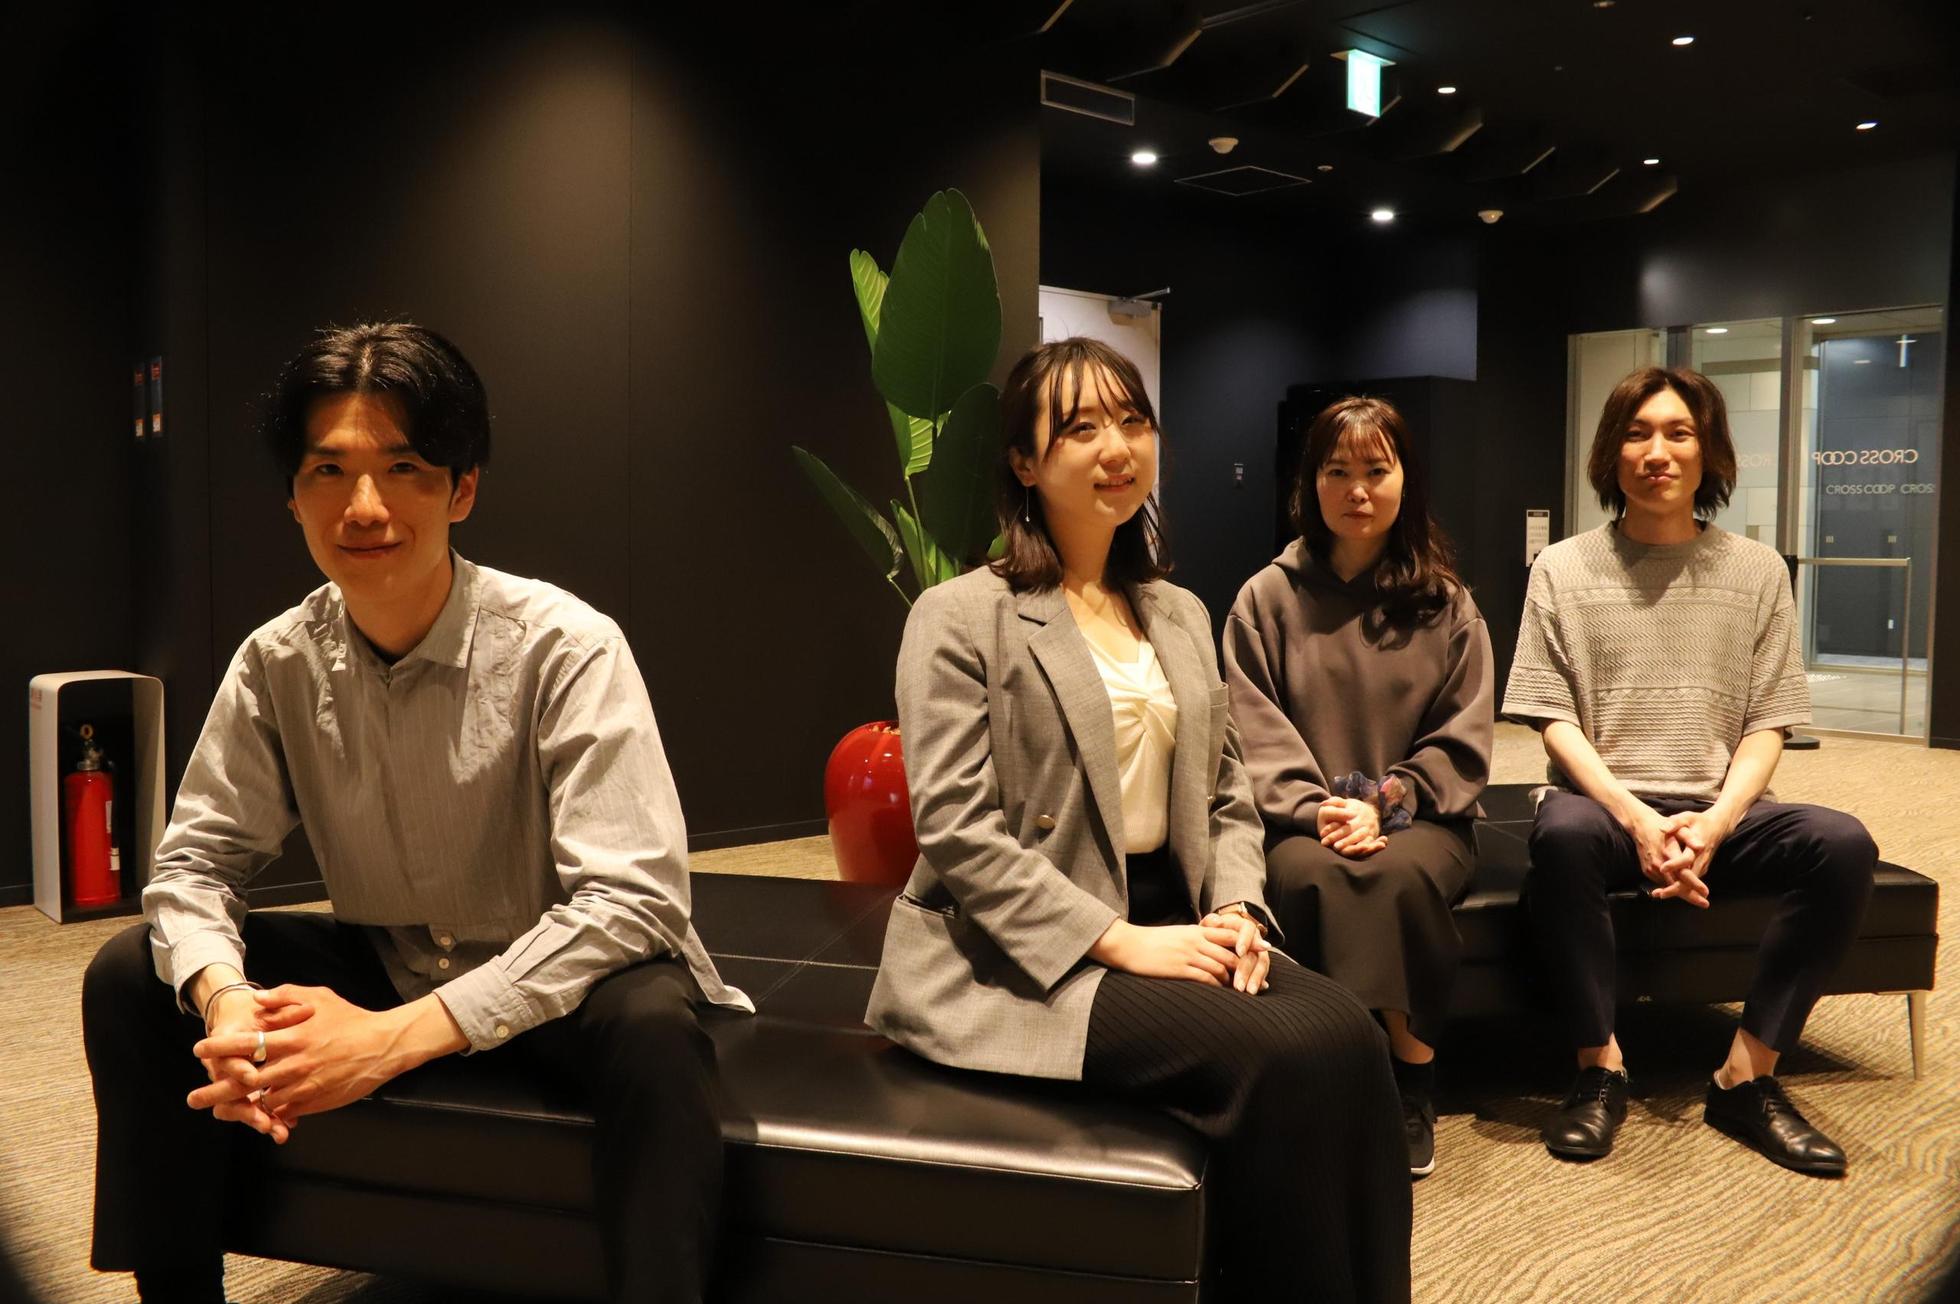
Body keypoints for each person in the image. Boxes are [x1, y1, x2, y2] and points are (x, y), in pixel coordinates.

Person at [81, 321, 752, 1304]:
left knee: (653, 1026)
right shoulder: (277, 661)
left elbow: (633, 899)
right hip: (394, 956)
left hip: (561, 975)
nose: (364, 506)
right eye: (329, 470)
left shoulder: (567, 646)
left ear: (461, 488)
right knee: (134, 973)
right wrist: (228, 1002)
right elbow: (196, 864)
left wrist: (388, 1039)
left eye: (403, 468)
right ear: (293, 494)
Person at [866, 337, 1411, 1302]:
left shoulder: (1179, 611)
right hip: (1026, 948)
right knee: (1283, 1057)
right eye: (1080, 428)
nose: (1116, 447)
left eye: (1132, 420)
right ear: (1025, 464)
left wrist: (1237, 907)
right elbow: (954, 827)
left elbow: (1227, 789)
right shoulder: (961, 615)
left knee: (1353, 1040)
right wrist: (1118, 941)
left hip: (1180, 912)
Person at [1505, 364, 1875, 1175]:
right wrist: (1636, 817)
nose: (1657, 452)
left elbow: (1769, 724)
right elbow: (1552, 720)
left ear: (1709, 453)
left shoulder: (1758, 571)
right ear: (1612, 453)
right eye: (1638, 434)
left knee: (1843, 844)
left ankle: (1747, 1075)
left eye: (1679, 433)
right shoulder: (1562, 568)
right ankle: (1599, 1068)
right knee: (1563, 835)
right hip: (1605, 807)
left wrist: (1715, 823)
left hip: (1721, 808)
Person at [1223, 395, 1493, 1178]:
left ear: (1407, 480)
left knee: (1397, 875)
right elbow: (1250, 727)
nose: (1358, 490)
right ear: (1310, 483)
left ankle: (1411, 1081)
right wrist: (1319, 810)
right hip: (1300, 823)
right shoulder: (1265, 598)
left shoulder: (1446, 604)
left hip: (1423, 821)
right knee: (1312, 875)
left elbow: (1463, 736)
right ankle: (1332, 1077)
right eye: (1337, 471)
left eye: (1377, 470)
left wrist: (1386, 803)